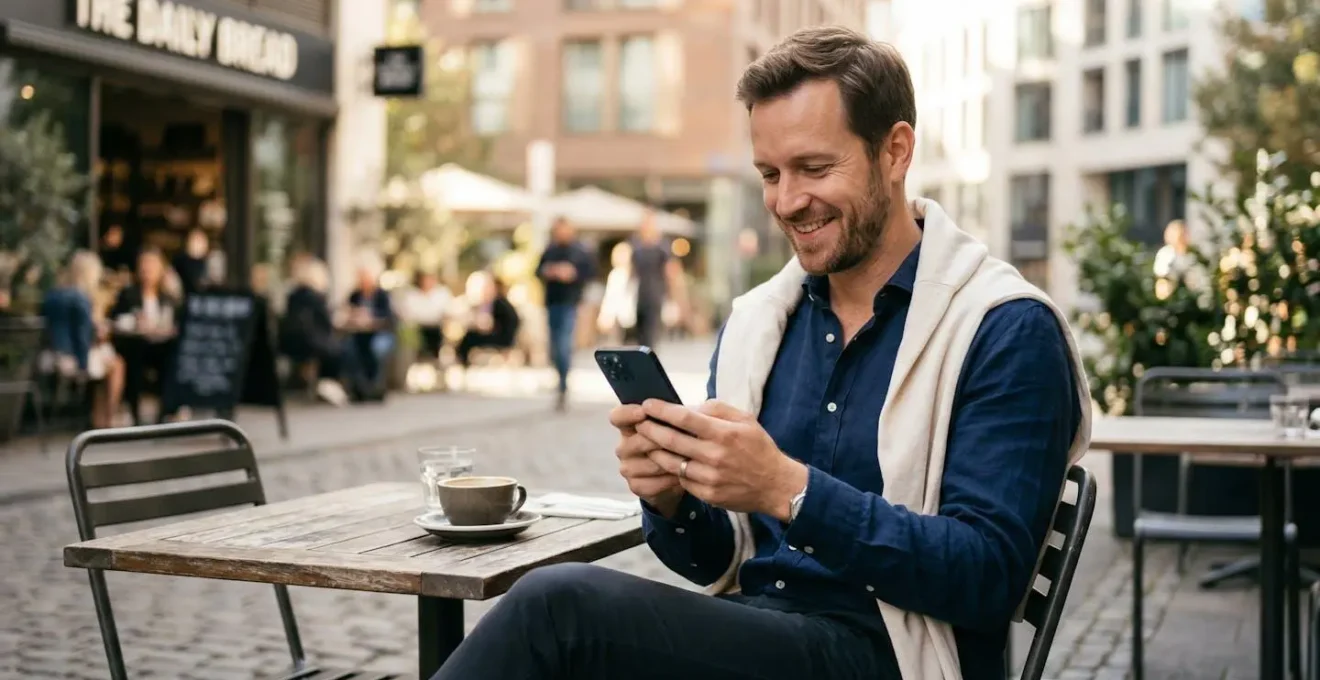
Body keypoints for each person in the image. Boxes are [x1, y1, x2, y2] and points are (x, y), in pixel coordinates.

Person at [430, 25, 1091, 680]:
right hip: (764, 634)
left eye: (814, 168)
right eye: (770, 174)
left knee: (559, 611)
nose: (786, 201)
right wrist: (671, 501)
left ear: (895, 152)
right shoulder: (758, 323)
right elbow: (719, 561)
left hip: (895, 659)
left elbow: (986, 579)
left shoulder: (1004, 329)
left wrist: (789, 490)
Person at [40, 250, 125, 429]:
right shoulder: (80, 298)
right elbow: (81, 336)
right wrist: (84, 365)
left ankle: (98, 418)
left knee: (107, 361)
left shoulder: (53, 295)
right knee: (117, 365)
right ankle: (108, 419)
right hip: (71, 359)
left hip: (50, 356)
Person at [536, 216, 597, 410]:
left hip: (570, 303)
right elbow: (538, 270)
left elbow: (590, 273)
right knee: (554, 346)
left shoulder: (579, 251)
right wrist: (550, 271)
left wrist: (572, 273)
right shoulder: (550, 249)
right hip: (552, 302)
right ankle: (560, 378)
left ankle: (563, 383)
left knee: (563, 343)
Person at [279, 256, 350, 407]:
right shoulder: (316, 298)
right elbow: (326, 325)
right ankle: (331, 387)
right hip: (313, 343)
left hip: (290, 342)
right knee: (343, 349)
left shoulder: (293, 296)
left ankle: (321, 385)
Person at [340, 254, 396, 401]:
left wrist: (371, 319)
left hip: (380, 333)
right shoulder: (355, 295)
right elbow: (346, 313)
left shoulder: (382, 295)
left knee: (376, 348)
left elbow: (388, 319)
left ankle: (375, 386)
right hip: (359, 334)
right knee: (349, 348)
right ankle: (359, 386)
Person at [455, 271, 520, 371]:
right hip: (489, 332)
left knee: (470, 337)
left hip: (501, 336)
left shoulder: (501, 304)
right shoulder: (484, 303)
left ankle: (463, 363)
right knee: (468, 336)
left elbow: (507, 323)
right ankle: (463, 363)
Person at [628, 212, 671, 348]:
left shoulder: (662, 247)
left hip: (655, 293)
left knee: (651, 332)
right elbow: (632, 270)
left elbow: (670, 272)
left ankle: (648, 360)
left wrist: (672, 295)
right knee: (640, 332)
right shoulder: (636, 246)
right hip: (640, 293)